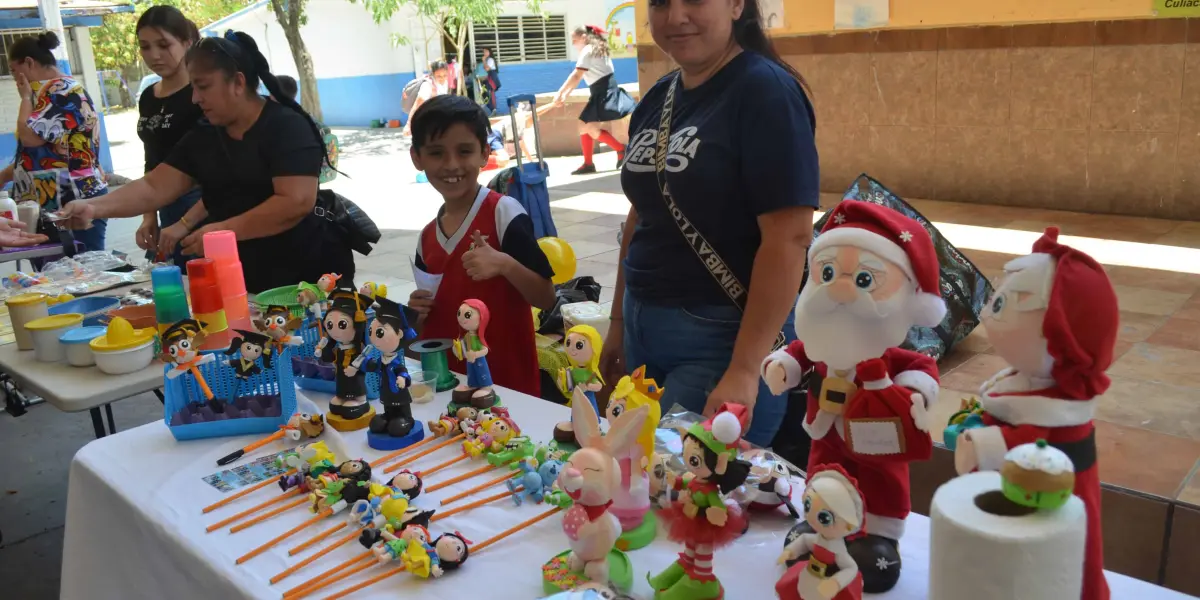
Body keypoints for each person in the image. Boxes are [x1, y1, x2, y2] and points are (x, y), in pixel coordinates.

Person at [602, 0, 819, 448]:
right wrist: (619, 322)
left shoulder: (765, 91)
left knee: (686, 492)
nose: (676, 16)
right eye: (661, 3)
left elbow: (789, 237)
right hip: (644, 326)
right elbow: (641, 214)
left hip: (719, 339)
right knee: (635, 477)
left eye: (696, 0)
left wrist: (742, 371)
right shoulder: (660, 96)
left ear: (737, 4)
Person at [57, 31, 354, 293]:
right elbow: (154, 186)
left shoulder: (287, 127)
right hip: (238, 277)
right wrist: (95, 207)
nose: (195, 98)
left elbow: (295, 202)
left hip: (305, 279)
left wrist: (222, 232)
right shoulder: (205, 134)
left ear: (237, 82)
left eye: (203, 86)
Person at [405, 94, 556, 398]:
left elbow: (546, 297)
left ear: (485, 153)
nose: (451, 165)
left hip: (509, 388)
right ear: (417, 158)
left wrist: (504, 264)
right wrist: (417, 312)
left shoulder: (504, 213)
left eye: (464, 151)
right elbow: (423, 332)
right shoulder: (426, 238)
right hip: (450, 390)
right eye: (436, 153)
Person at [0, 32, 107, 250]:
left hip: (73, 201)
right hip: (54, 202)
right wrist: (4, 176)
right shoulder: (47, 93)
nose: (14, 79)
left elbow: (29, 138)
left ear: (28, 63)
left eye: (13, 71)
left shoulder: (61, 91)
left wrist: (25, 99)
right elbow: (40, 157)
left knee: (82, 273)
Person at [134, 6, 204, 268]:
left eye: (164, 45)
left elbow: (219, 168)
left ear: (186, 43)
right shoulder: (149, 96)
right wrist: (148, 214)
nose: (154, 55)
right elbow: (151, 157)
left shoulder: (201, 94)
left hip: (202, 208)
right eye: (145, 46)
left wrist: (186, 222)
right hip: (165, 207)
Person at [553, 25, 636, 175]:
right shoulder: (597, 49)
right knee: (584, 125)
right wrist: (565, 94)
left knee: (587, 126)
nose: (573, 44)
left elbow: (576, 75)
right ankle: (591, 162)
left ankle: (619, 150)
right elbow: (578, 75)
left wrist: (560, 92)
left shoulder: (588, 50)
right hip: (604, 91)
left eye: (574, 40)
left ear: (584, 37)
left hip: (603, 92)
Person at [276, 74, 338, 184]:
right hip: (313, 179)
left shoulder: (283, 121)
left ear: (274, 93)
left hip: (294, 185)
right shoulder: (306, 117)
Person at [402, 60, 450, 137]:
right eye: (439, 76)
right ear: (433, 74)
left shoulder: (444, 83)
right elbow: (416, 105)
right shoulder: (427, 86)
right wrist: (408, 125)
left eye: (445, 75)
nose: (442, 78)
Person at [480, 48, 500, 114]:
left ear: (489, 52)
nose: (484, 53)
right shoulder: (487, 60)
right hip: (488, 78)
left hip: (491, 78)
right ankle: (493, 109)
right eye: (483, 51)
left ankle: (493, 109)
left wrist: (483, 60)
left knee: (489, 94)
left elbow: (487, 69)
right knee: (486, 94)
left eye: (486, 51)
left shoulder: (490, 59)